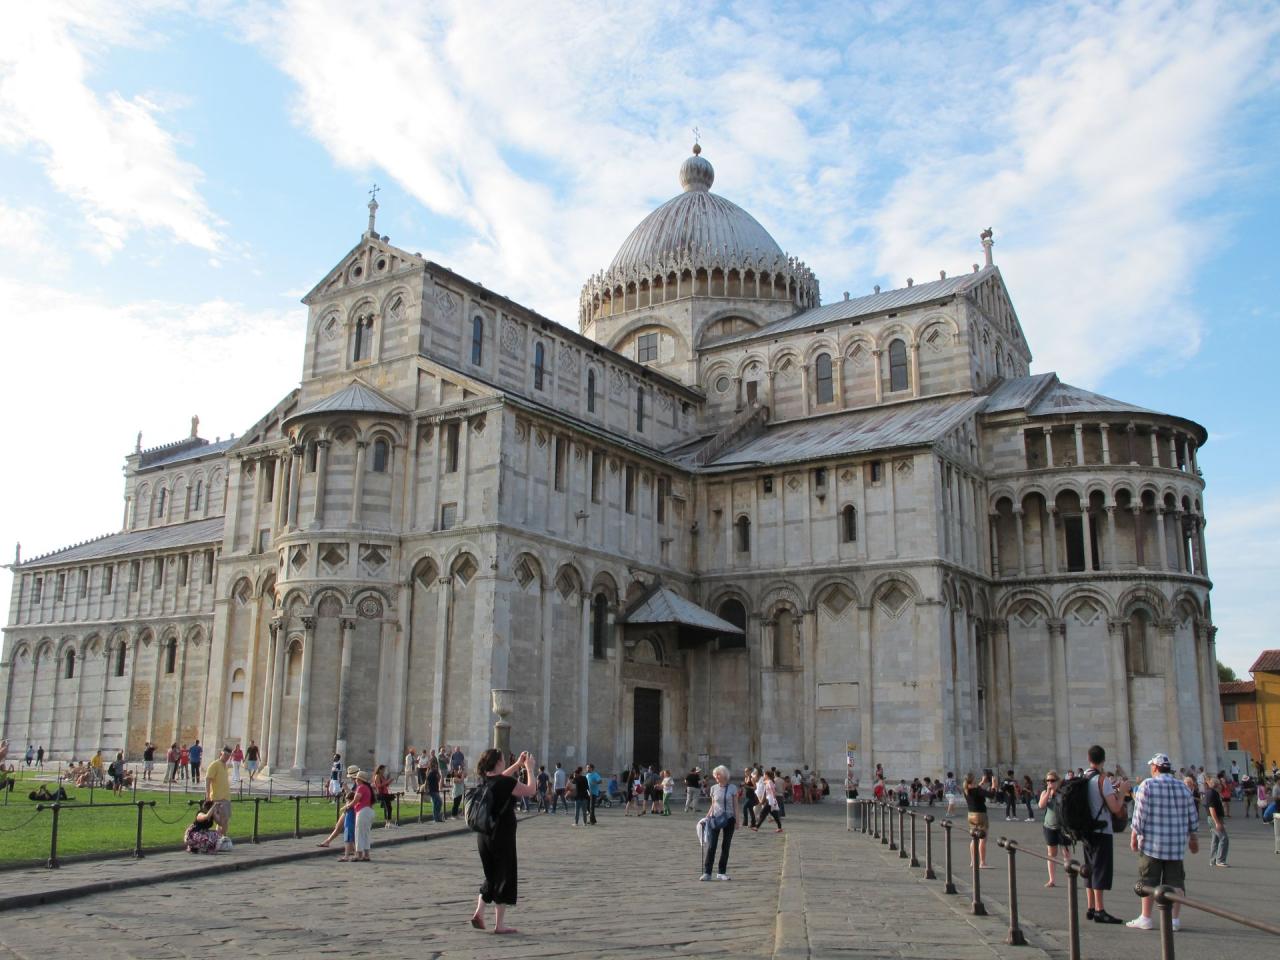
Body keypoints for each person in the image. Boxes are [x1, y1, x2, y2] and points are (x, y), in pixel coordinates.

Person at [1126, 753, 1198, 931]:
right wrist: (1193, 838)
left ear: (1155, 768)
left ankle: (1146, 918)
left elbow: (1139, 814)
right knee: (1176, 883)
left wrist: (1134, 836)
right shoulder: (1183, 787)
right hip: (1176, 845)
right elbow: (1192, 815)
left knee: (1148, 881)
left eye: (1151, 766)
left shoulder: (1147, 785)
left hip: (1152, 844)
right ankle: (1174, 920)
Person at [469, 748, 536, 934]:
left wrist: (517, 764)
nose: (505, 761)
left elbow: (501, 777)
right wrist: (529, 769)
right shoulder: (506, 783)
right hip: (502, 835)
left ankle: (479, 912)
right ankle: (499, 925)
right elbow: (531, 790)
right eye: (504, 759)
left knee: (491, 874)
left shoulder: (485, 780)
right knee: (504, 876)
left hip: (484, 835)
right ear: (498, 762)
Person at [1080, 745, 1130, 925]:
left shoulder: (1083, 777)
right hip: (1102, 830)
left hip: (1086, 830)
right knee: (1100, 869)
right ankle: (1100, 910)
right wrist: (1122, 792)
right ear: (1103, 759)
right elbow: (1115, 808)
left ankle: (1091, 907)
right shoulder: (1102, 780)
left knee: (1089, 868)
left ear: (1088, 758)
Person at [700, 764, 741, 880]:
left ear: (724, 775)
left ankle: (721, 872)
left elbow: (736, 805)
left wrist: (737, 820)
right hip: (715, 818)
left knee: (725, 846)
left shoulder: (732, 788)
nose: (716, 777)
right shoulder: (713, 788)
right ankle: (707, 872)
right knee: (712, 845)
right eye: (715, 775)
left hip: (729, 818)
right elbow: (713, 805)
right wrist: (706, 818)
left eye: (718, 774)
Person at [1039, 770, 1068, 886]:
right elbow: (1041, 805)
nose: (1050, 783)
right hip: (1049, 826)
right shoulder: (1044, 793)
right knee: (1051, 853)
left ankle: (1070, 878)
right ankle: (1052, 879)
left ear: (1057, 781)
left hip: (1062, 827)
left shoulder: (1062, 793)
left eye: (1052, 780)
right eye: (1048, 781)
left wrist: (1057, 793)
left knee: (1066, 853)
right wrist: (1048, 793)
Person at [964, 772, 995, 867]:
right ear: (973, 780)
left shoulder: (966, 789)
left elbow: (976, 789)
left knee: (974, 838)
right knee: (982, 838)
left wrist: (982, 782)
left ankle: (973, 861)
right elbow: (991, 795)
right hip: (980, 815)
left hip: (971, 814)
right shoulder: (977, 790)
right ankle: (982, 862)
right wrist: (994, 785)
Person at [205, 745, 233, 833]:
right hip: (218, 798)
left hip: (226, 797)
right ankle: (222, 838)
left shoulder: (225, 766)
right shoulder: (215, 764)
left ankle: (219, 838)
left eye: (228, 756)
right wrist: (207, 795)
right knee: (223, 822)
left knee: (224, 821)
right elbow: (208, 779)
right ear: (221, 753)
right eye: (225, 755)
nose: (226, 757)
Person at [349, 770, 375, 861]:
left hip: (362, 811)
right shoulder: (368, 788)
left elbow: (356, 799)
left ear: (359, 780)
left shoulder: (361, 787)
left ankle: (359, 854)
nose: (355, 780)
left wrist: (348, 806)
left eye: (356, 779)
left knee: (359, 833)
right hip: (369, 811)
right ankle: (366, 854)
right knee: (366, 833)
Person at [1204, 775, 1228, 866]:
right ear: (1217, 785)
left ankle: (1213, 860)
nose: (1221, 786)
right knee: (1224, 838)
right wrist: (1217, 822)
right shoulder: (1212, 793)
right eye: (1220, 784)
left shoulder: (1212, 792)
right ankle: (1220, 860)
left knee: (1215, 839)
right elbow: (1212, 809)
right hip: (1214, 818)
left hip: (1214, 818)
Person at [372, 764, 395, 828]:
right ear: (379, 770)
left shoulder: (382, 776)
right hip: (381, 793)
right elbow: (378, 785)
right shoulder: (377, 776)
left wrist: (389, 782)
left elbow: (385, 785)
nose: (384, 771)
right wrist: (387, 781)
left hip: (385, 793)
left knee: (387, 808)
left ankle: (387, 823)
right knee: (388, 807)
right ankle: (388, 822)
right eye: (383, 770)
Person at [426, 757, 444, 823]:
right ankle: (436, 817)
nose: (436, 766)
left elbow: (439, 779)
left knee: (436, 803)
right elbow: (427, 781)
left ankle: (437, 817)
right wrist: (426, 789)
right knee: (439, 802)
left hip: (435, 789)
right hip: (432, 790)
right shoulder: (431, 772)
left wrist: (438, 773)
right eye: (436, 765)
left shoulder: (435, 772)